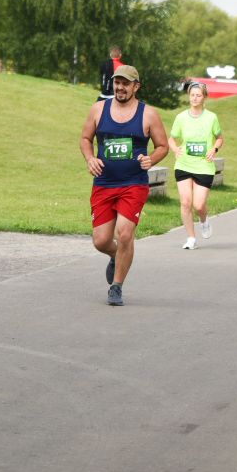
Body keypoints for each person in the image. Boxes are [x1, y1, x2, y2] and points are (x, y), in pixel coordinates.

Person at [80, 63, 168, 305]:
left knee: (125, 234)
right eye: (117, 83)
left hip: (133, 184)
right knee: (100, 240)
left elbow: (163, 146)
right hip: (104, 183)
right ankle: (114, 255)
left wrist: (152, 159)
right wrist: (90, 158)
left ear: (136, 87)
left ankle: (116, 287)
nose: (119, 87)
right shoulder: (98, 109)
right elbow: (86, 138)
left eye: (125, 84)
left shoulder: (148, 114)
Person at [169, 81, 223, 250]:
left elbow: (220, 137)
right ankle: (191, 238)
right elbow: (172, 138)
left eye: (198, 95)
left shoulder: (211, 117)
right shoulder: (181, 117)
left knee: (198, 205)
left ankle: (204, 219)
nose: (194, 98)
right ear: (189, 97)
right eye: (192, 95)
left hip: (204, 166)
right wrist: (175, 149)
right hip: (184, 164)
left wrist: (214, 148)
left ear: (204, 97)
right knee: (185, 202)